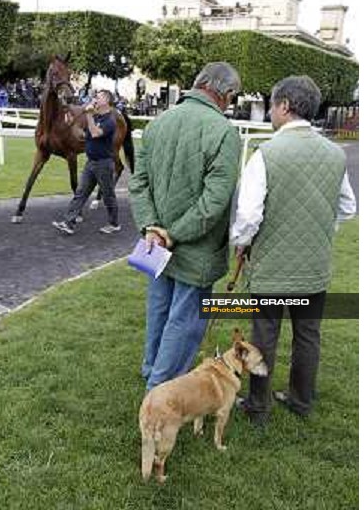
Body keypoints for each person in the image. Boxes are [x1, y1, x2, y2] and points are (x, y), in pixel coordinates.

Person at [230, 75, 357, 426]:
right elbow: (347, 206)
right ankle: (301, 400)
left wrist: (241, 244)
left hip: (272, 268)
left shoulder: (266, 153)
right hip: (314, 267)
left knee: (265, 336)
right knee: (307, 335)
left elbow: (249, 215)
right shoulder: (335, 154)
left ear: (284, 106)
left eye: (272, 105)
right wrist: (318, 230)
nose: (271, 112)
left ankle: (258, 406)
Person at [129, 62, 242, 391]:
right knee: (184, 321)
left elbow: (138, 185)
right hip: (195, 247)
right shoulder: (223, 131)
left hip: (158, 244)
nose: (231, 102)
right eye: (232, 97)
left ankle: (152, 370)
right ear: (226, 92)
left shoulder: (157, 123)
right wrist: (169, 234)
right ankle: (161, 388)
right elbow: (214, 203)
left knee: (160, 309)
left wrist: (153, 229)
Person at [52, 90, 121, 235]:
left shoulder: (110, 120)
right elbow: (88, 135)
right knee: (80, 193)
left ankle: (114, 223)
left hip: (104, 164)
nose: (95, 98)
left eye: (99, 97)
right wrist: (75, 129)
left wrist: (88, 114)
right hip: (91, 163)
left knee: (108, 195)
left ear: (107, 101)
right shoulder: (96, 117)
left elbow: (96, 133)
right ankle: (68, 223)